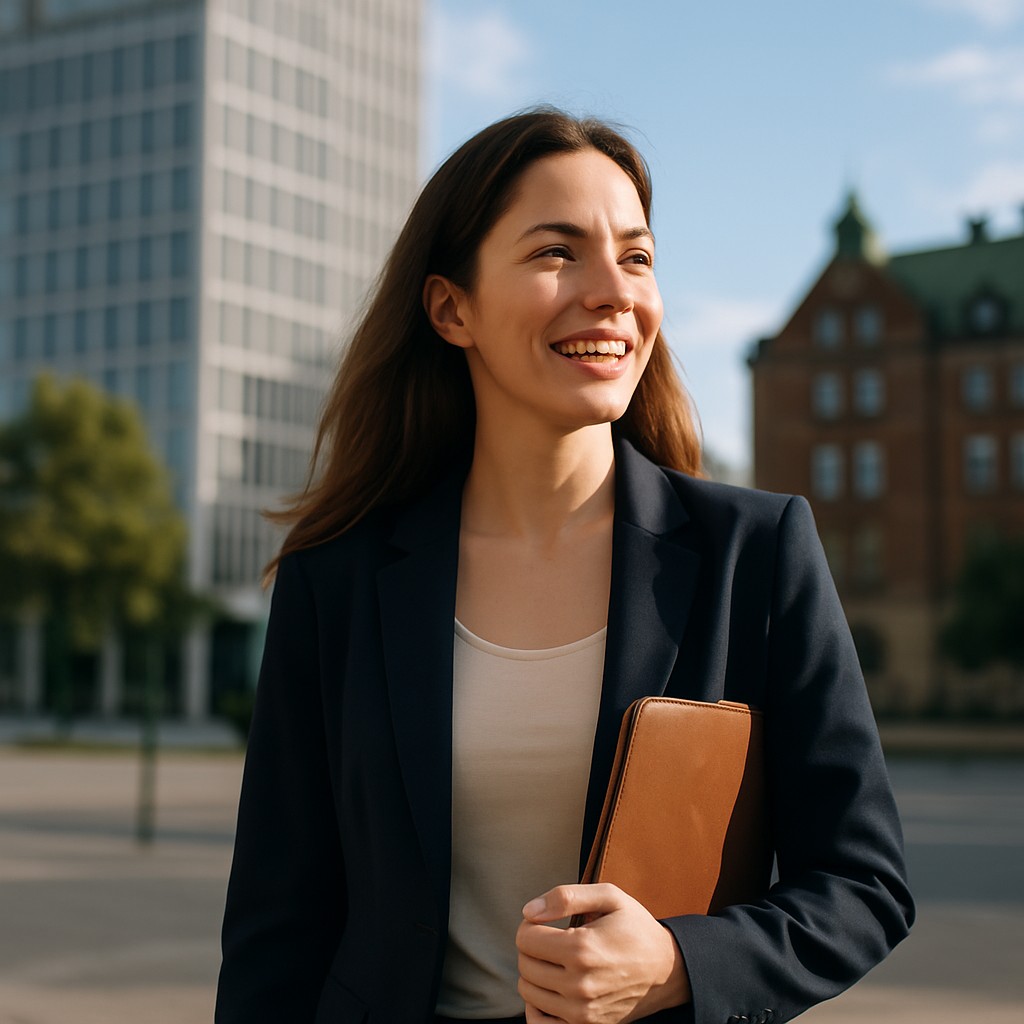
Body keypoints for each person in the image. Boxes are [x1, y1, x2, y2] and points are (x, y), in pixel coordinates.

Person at [215, 108, 914, 1024]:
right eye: (558, 253)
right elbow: (277, 927)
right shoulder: (337, 581)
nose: (613, 292)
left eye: (636, 257)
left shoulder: (759, 551)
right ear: (450, 308)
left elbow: (863, 884)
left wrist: (678, 963)